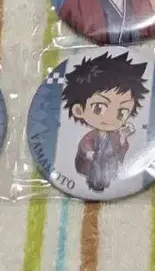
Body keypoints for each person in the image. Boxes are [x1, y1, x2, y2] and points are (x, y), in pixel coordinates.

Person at [63, 51, 149, 193]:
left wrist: (123, 138)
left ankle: (105, 182)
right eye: (99, 107)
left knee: (106, 172)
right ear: (79, 110)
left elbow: (121, 150)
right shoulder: (90, 136)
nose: (110, 117)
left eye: (122, 112)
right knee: (95, 173)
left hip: (108, 166)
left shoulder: (115, 135)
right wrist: (88, 152)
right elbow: (84, 144)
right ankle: (94, 183)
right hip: (94, 165)